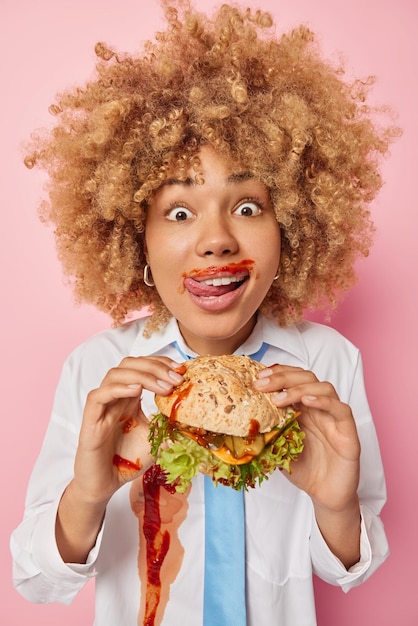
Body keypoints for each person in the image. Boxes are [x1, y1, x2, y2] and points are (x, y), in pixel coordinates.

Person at [11, 1, 398, 624]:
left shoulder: (326, 365)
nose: (217, 240)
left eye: (247, 207)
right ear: (135, 237)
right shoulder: (100, 372)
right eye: (180, 212)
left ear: (292, 227)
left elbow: (350, 567)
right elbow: (34, 580)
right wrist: (87, 491)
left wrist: (336, 504)